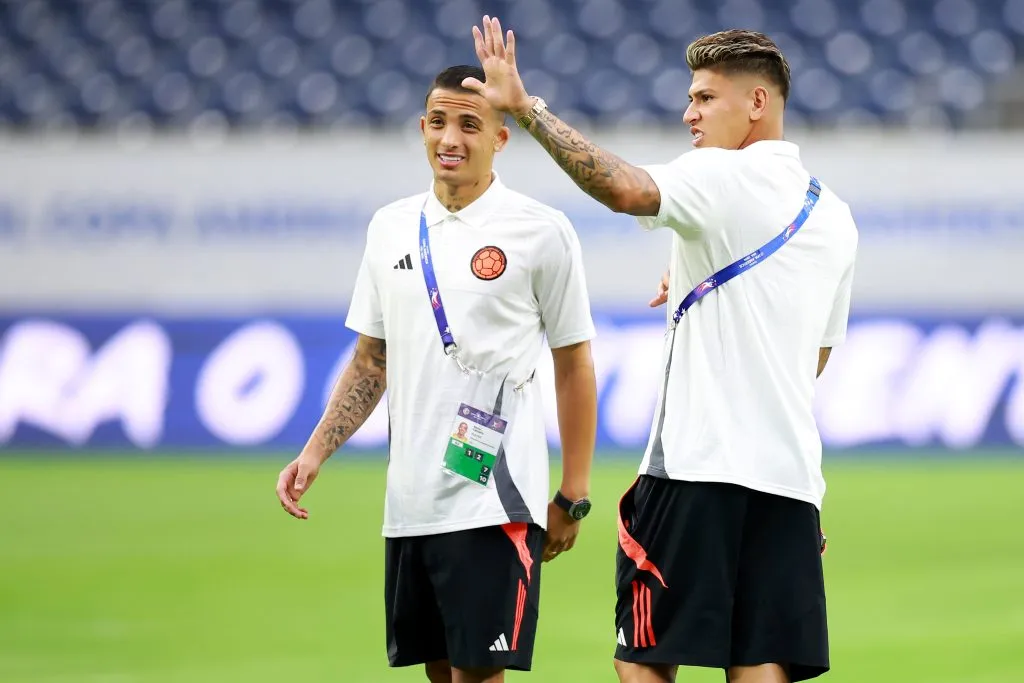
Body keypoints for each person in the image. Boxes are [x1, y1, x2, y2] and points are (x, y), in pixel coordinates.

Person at [464, 18, 858, 683]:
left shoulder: (721, 176)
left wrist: (527, 110)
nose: (688, 113)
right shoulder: (835, 214)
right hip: (790, 484)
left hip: (696, 470)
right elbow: (811, 356)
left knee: (643, 658)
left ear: (756, 103)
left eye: (705, 97)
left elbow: (624, 188)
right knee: (760, 663)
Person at [275, 64, 599, 683]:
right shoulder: (389, 227)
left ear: (500, 139)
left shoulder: (540, 230)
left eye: (470, 124)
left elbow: (574, 360)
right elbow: (373, 359)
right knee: (440, 672)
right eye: (440, 122)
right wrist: (315, 452)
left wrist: (574, 493)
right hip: (411, 502)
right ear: (422, 128)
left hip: (494, 500)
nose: (451, 138)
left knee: (480, 675)